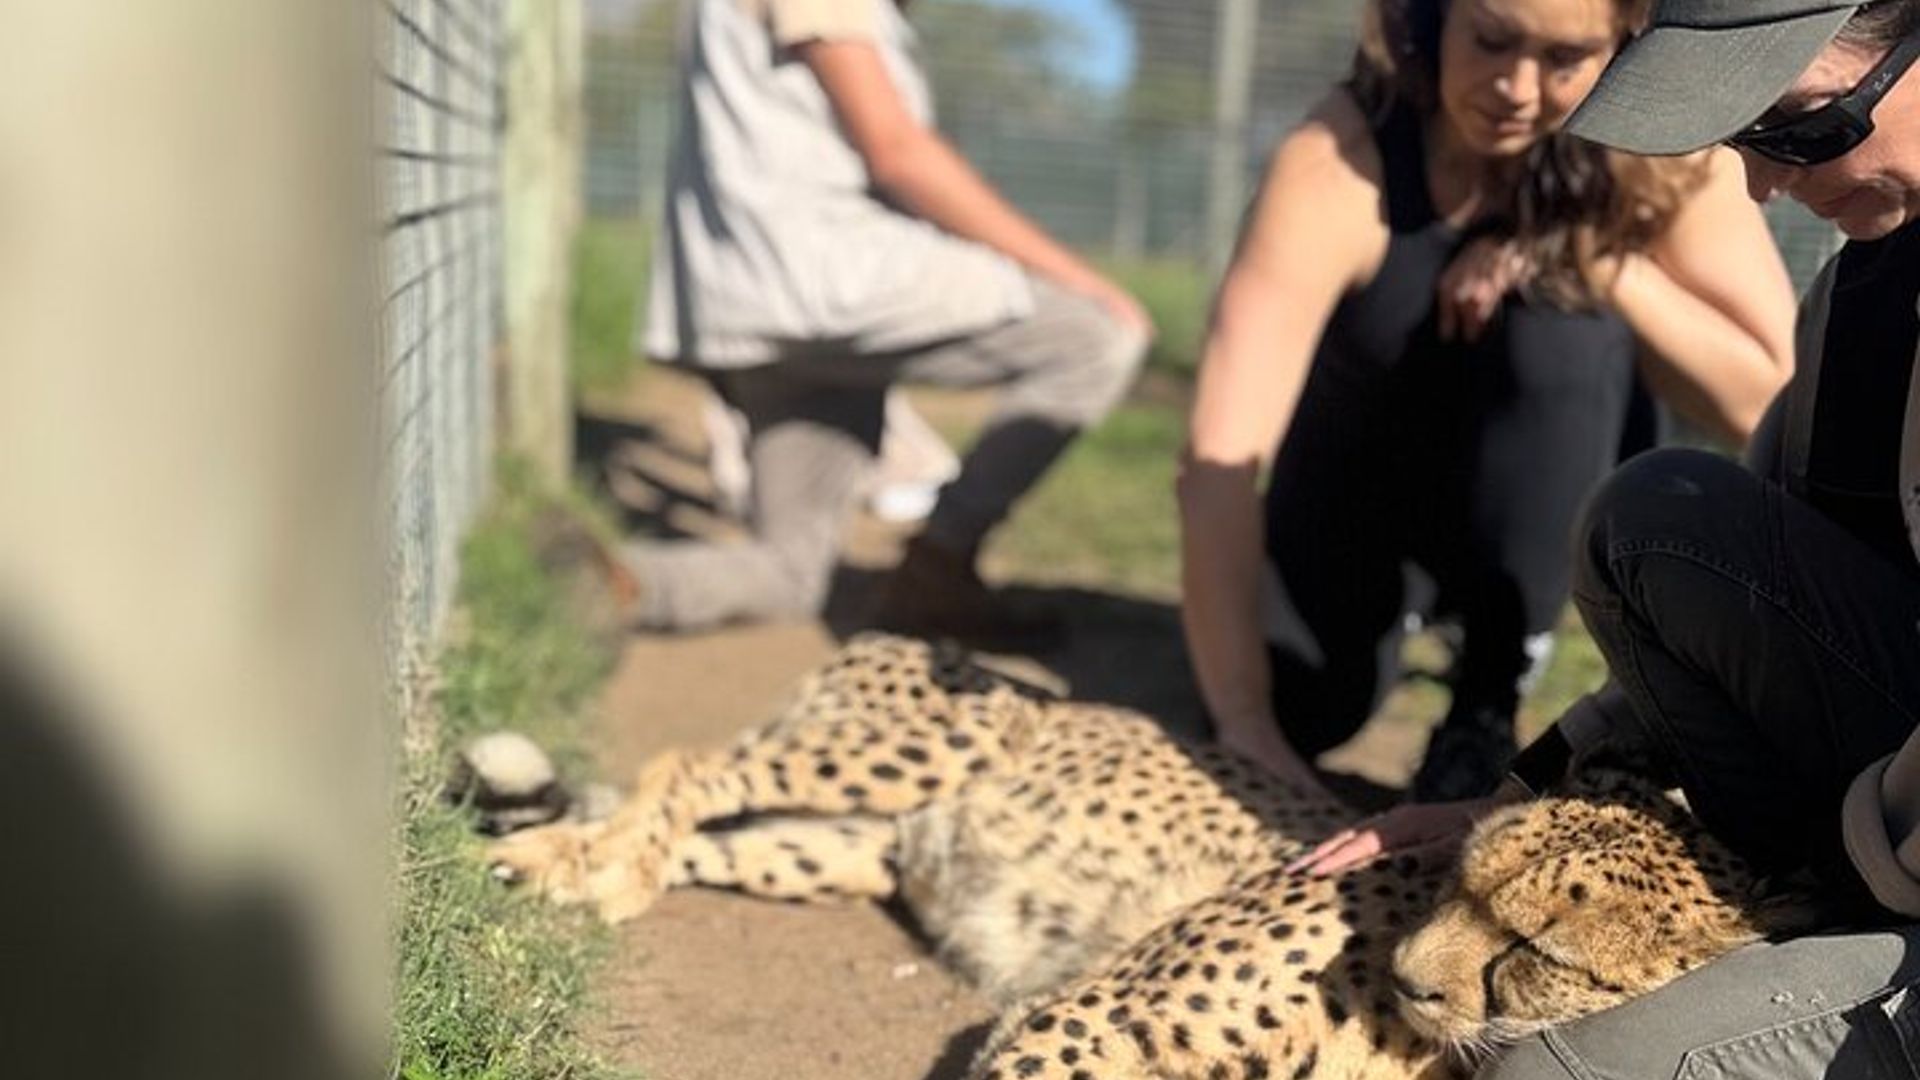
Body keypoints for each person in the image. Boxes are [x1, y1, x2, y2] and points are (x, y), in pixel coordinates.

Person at [1292, 1, 1920, 1074]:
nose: (1767, 185)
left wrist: (1836, 896)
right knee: (1658, 519)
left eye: (1798, 127)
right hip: (1893, 812)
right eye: (1742, 141)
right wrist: (1511, 810)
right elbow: (1723, 608)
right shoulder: (1866, 283)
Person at [1178, 0, 1798, 803]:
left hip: (1539, 504)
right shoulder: (1343, 155)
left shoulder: (1666, 155)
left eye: (1564, 58)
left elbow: (1771, 405)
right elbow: (1218, 460)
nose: (1515, 86)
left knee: (1561, 317)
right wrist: (1244, 720)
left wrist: (1593, 261)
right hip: (1362, 496)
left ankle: (1488, 697)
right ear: (1428, 21)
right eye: (1492, 40)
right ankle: (1373, 642)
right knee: (1302, 706)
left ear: (1620, 50)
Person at [629, 0, 1151, 645]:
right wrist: (1081, 280)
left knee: (791, 573)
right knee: (1095, 337)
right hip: (830, 285)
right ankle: (940, 564)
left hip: (749, 310)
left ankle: (601, 585)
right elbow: (898, 152)